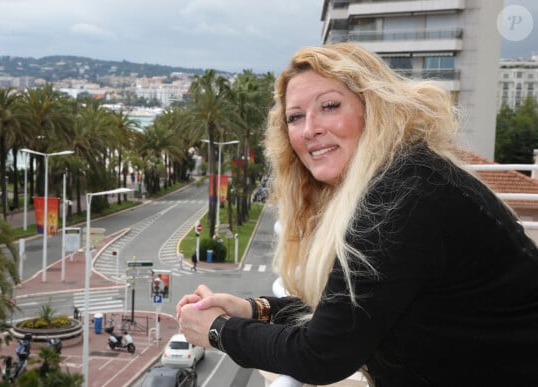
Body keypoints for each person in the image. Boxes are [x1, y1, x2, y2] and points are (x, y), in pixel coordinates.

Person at [176, 42, 538, 386]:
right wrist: (255, 310)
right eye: (295, 117)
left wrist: (218, 330)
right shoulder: (409, 177)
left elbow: (322, 354)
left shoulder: (401, 199)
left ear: (374, 108)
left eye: (330, 106)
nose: (310, 129)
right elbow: (354, 311)